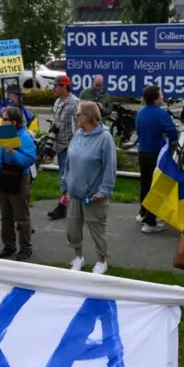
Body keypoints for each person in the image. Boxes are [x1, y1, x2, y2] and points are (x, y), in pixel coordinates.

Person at [64, 100, 116, 274]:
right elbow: (69, 161)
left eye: (78, 114)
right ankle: (78, 257)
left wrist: (103, 190)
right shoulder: (78, 134)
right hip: (74, 192)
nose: (76, 117)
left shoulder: (105, 138)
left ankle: (101, 261)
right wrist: (65, 182)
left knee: (97, 230)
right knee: (72, 228)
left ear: (89, 116)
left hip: (93, 195)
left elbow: (110, 167)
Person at [135, 84, 179, 232]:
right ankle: (150, 221)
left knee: (145, 183)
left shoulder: (140, 112)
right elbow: (173, 133)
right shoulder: (160, 114)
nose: (163, 97)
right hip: (156, 153)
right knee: (156, 186)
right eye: (160, 95)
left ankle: (143, 213)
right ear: (154, 99)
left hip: (142, 151)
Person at [0, 107, 36, 260]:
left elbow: (29, 160)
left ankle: (26, 247)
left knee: (21, 215)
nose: (1, 121)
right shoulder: (3, 135)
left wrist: (14, 153)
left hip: (19, 177)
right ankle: (9, 245)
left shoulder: (24, 137)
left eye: (4, 119)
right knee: (6, 215)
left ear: (13, 122)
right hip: (5, 175)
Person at [46, 75, 79, 220]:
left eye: (56, 86)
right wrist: (50, 144)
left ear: (64, 86)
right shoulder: (58, 102)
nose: (53, 88)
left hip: (70, 146)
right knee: (63, 175)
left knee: (66, 176)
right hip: (59, 145)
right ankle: (67, 203)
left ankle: (63, 206)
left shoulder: (74, 103)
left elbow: (78, 126)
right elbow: (55, 124)